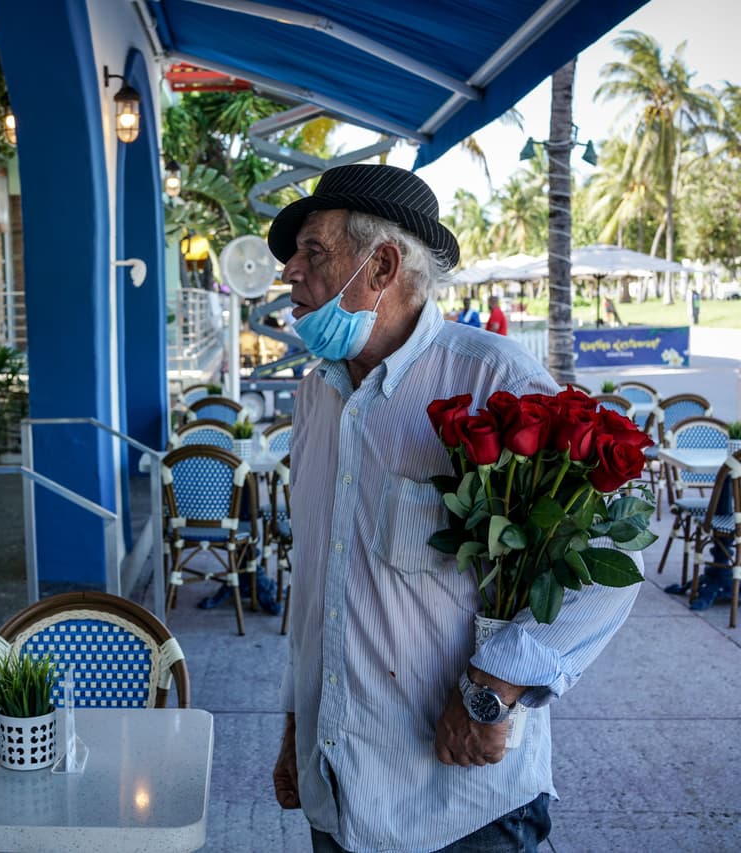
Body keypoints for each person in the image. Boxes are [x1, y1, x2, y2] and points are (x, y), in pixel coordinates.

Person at [265, 163, 639, 852]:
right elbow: (317, 582)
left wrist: (493, 687)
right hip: (339, 791)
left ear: (381, 265)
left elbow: (604, 570)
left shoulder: (493, 380)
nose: (289, 270)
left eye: (312, 252)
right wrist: (296, 726)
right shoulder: (315, 396)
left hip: (461, 806)